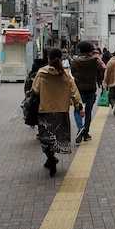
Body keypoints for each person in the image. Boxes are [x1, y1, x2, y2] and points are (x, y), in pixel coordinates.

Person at [32, 48, 84, 177]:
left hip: (45, 111)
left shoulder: (42, 73)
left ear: (48, 59)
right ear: (61, 59)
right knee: (58, 138)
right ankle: (52, 158)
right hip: (62, 112)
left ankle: (51, 158)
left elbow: (35, 90)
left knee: (45, 138)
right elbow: (74, 92)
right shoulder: (66, 75)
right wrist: (79, 106)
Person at [71, 41, 105, 144]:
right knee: (88, 112)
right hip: (91, 89)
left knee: (77, 109)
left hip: (79, 89)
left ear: (80, 50)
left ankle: (80, 127)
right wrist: (97, 56)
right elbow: (103, 68)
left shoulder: (75, 61)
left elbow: (73, 73)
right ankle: (86, 133)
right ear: (90, 50)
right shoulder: (94, 60)